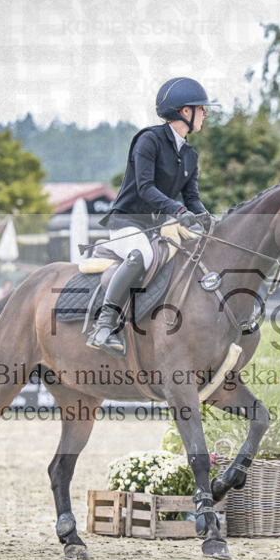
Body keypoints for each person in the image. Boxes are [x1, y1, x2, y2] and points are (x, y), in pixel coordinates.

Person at [87, 77, 219, 356]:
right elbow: (145, 188)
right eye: (201, 108)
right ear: (186, 112)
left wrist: (207, 218)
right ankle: (104, 324)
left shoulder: (191, 155)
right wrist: (178, 211)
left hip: (156, 229)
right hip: (127, 223)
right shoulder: (149, 140)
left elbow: (191, 197)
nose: (205, 113)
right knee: (141, 256)